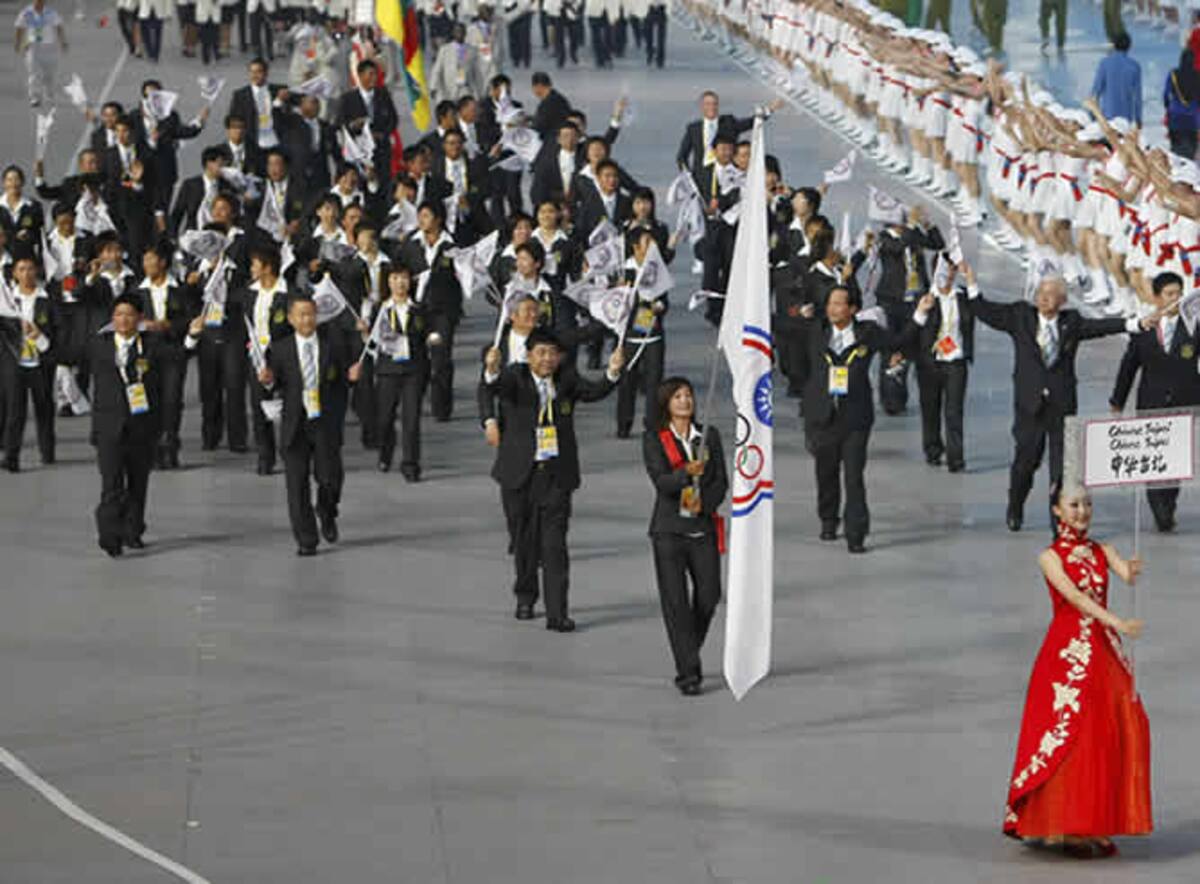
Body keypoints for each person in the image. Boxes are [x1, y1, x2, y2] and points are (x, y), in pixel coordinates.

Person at [1003, 484, 1151, 856]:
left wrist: (1131, 570)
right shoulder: (1049, 557)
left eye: (1087, 503)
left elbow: (1125, 576)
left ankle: (1093, 819)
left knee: (1106, 730)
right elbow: (1075, 597)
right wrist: (1117, 622)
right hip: (1068, 655)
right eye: (1073, 505)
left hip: (1104, 652)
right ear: (1056, 511)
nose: (1082, 511)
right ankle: (1064, 825)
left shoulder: (1104, 549)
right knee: (1072, 735)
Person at [970, 275, 1149, 532]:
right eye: (1041, 292)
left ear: (1062, 301)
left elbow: (1102, 327)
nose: (1044, 297)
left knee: (1062, 470)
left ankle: (1060, 523)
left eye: (1051, 293)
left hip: (1061, 407)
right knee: (1026, 463)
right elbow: (986, 312)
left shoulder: (1071, 323)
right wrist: (971, 283)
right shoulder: (1021, 317)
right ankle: (1015, 504)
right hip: (1029, 407)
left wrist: (1136, 324)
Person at [482, 328, 624, 630]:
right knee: (524, 544)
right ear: (529, 355)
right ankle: (525, 596)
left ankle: (557, 613)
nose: (547, 359)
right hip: (519, 474)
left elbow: (593, 391)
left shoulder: (567, 379)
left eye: (553, 354)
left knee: (554, 546)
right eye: (541, 353)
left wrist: (612, 372)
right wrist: (491, 369)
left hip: (556, 476)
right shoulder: (514, 377)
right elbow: (493, 387)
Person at [797, 285, 921, 553]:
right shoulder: (816, 330)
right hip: (822, 415)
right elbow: (783, 328)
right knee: (826, 472)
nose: (832, 309)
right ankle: (829, 520)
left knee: (854, 476)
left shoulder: (867, 333)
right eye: (830, 303)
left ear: (853, 309)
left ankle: (856, 534)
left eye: (839, 304)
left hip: (855, 417)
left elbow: (898, 341)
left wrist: (920, 315)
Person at [257, 292, 361, 556]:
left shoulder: (332, 345)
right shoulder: (280, 349)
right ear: (291, 319)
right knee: (296, 484)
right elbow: (273, 384)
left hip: (325, 421)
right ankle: (306, 539)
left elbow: (343, 380)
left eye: (311, 314)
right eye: (301, 315)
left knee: (330, 477)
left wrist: (351, 377)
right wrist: (267, 380)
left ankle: (326, 511)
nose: (307, 319)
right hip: (294, 422)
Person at [642, 377, 727, 696]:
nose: (685, 401)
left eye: (689, 395)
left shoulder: (709, 436)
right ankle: (688, 672)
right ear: (667, 403)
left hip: (702, 526)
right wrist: (685, 475)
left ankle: (686, 647)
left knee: (709, 595)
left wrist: (707, 502)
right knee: (675, 603)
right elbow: (661, 481)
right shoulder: (654, 438)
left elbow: (720, 480)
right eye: (677, 396)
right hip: (668, 531)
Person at [1109, 271, 1200, 532]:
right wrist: (1117, 401)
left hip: (1184, 402)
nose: (1176, 299)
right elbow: (1128, 367)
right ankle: (1159, 509)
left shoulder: (1193, 327)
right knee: (1154, 459)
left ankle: (1168, 505)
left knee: (1175, 461)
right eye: (1170, 294)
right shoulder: (1144, 329)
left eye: (1179, 293)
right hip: (1151, 402)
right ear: (1157, 297)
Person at [89, 295, 169, 556]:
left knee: (138, 482)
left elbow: (179, 357)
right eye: (118, 314)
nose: (123, 319)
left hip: (141, 426)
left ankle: (133, 531)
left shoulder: (152, 346)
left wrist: (191, 335)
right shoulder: (99, 345)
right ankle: (109, 535)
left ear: (139, 319)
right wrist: (38, 340)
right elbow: (65, 354)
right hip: (108, 427)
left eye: (129, 314)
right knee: (111, 484)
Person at [911, 260, 977, 472]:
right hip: (930, 362)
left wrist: (971, 280)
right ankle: (932, 449)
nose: (947, 275)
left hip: (956, 360)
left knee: (954, 410)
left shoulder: (964, 296)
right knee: (931, 408)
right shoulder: (922, 297)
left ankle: (955, 458)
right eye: (943, 270)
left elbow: (982, 307)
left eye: (951, 270)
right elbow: (912, 329)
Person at [368, 265, 428, 480]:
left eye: (404, 278)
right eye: (395, 278)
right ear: (388, 282)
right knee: (385, 419)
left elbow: (427, 331)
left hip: (413, 369)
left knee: (411, 420)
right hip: (388, 370)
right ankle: (385, 453)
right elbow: (372, 339)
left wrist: (432, 336)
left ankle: (411, 465)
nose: (400, 283)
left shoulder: (419, 308)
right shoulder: (381, 309)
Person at [1, 253, 58, 472]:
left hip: (40, 361)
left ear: (37, 271)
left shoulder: (47, 299)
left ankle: (47, 450)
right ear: (14, 273)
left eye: (30, 268)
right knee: (15, 410)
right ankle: (11, 455)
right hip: (14, 362)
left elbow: (57, 329)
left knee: (44, 406)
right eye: (21, 269)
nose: (26, 273)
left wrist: (39, 336)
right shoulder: (6, 300)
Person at [14, 0, 67, 108]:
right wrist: (18, 43)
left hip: (49, 46)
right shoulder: (26, 13)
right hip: (33, 46)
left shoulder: (51, 13)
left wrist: (63, 41)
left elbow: (59, 27)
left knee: (49, 74)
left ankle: (49, 94)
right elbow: (19, 27)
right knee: (34, 73)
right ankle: (35, 97)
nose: (39, 2)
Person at [1090, 32, 1142, 128]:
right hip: (1126, 116)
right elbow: (1137, 96)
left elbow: (1096, 91)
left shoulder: (1104, 63)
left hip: (1108, 116)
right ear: (1129, 46)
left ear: (1114, 45)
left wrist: (1092, 114)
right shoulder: (1134, 66)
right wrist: (1138, 119)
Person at [1163, 50, 1200, 160]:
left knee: (1176, 156)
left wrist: (1168, 107)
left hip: (1175, 118)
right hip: (1193, 120)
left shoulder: (1173, 74)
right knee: (1190, 156)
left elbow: (1166, 94)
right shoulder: (1198, 75)